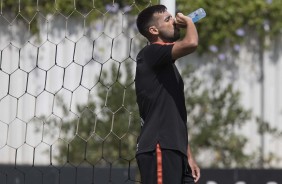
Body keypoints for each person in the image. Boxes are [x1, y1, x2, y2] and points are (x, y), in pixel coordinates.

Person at [134, 4, 200, 184]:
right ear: (154, 30)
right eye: (168, 19)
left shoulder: (166, 66)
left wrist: (189, 156)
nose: (174, 21)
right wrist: (188, 21)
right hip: (159, 146)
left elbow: (174, 115)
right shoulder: (150, 53)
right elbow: (191, 43)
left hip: (175, 149)